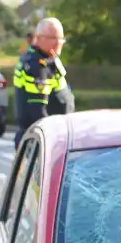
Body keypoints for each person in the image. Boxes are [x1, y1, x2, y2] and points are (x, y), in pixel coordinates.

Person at [12, 17, 74, 149]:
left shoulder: (49, 59)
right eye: (53, 38)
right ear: (39, 38)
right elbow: (38, 114)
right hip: (40, 144)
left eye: (61, 39)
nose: (58, 43)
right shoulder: (37, 66)